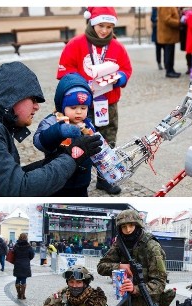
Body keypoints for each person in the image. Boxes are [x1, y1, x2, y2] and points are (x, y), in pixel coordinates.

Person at [0, 61, 101, 196]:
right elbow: (18, 188)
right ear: (12, 95)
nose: (37, 107)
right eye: (33, 99)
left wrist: (60, 160)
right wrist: (72, 156)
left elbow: (12, 177)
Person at [57, 7, 132, 195]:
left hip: (108, 104)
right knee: (78, 139)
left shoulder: (117, 47)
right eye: (101, 25)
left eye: (109, 26)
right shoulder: (75, 44)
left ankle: (104, 178)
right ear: (91, 22)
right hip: (81, 105)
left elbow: (126, 69)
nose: (105, 31)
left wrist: (119, 78)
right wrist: (81, 84)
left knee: (107, 140)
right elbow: (65, 71)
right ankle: (74, 177)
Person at [33, 72, 103, 196]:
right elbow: (39, 142)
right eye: (73, 107)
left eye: (83, 108)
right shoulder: (53, 120)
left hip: (82, 179)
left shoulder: (87, 124)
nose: (78, 112)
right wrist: (59, 131)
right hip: (57, 179)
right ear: (62, 105)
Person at [157, 7, 182, 78]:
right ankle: (169, 71)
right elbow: (167, 19)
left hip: (170, 34)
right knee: (168, 53)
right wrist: (178, 22)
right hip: (167, 34)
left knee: (170, 53)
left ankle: (171, 70)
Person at [12, 233, 35, 300]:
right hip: (25, 264)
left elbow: (13, 254)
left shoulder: (16, 245)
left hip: (18, 264)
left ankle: (19, 294)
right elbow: (32, 255)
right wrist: (27, 259)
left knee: (18, 279)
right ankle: (22, 295)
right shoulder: (28, 246)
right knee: (23, 279)